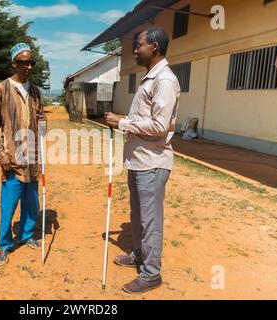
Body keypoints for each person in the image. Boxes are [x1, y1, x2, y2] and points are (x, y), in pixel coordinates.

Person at [105, 27, 180, 294]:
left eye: (139, 45)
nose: (135, 50)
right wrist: (124, 122)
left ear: (154, 48)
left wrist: (122, 122)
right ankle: (139, 254)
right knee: (138, 216)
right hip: (139, 161)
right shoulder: (150, 78)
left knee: (151, 221)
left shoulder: (165, 81)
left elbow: (159, 126)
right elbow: (146, 119)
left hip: (152, 163)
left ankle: (151, 274)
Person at [0, 43, 45, 267]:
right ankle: (4, 244)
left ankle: (27, 235)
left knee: (31, 202)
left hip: (32, 157)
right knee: (9, 204)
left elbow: (39, 117)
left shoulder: (35, 91)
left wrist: (42, 122)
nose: (29, 67)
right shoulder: (0, 90)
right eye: (24, 63)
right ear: (14, 64)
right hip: (12, 158)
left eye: (32, 63)